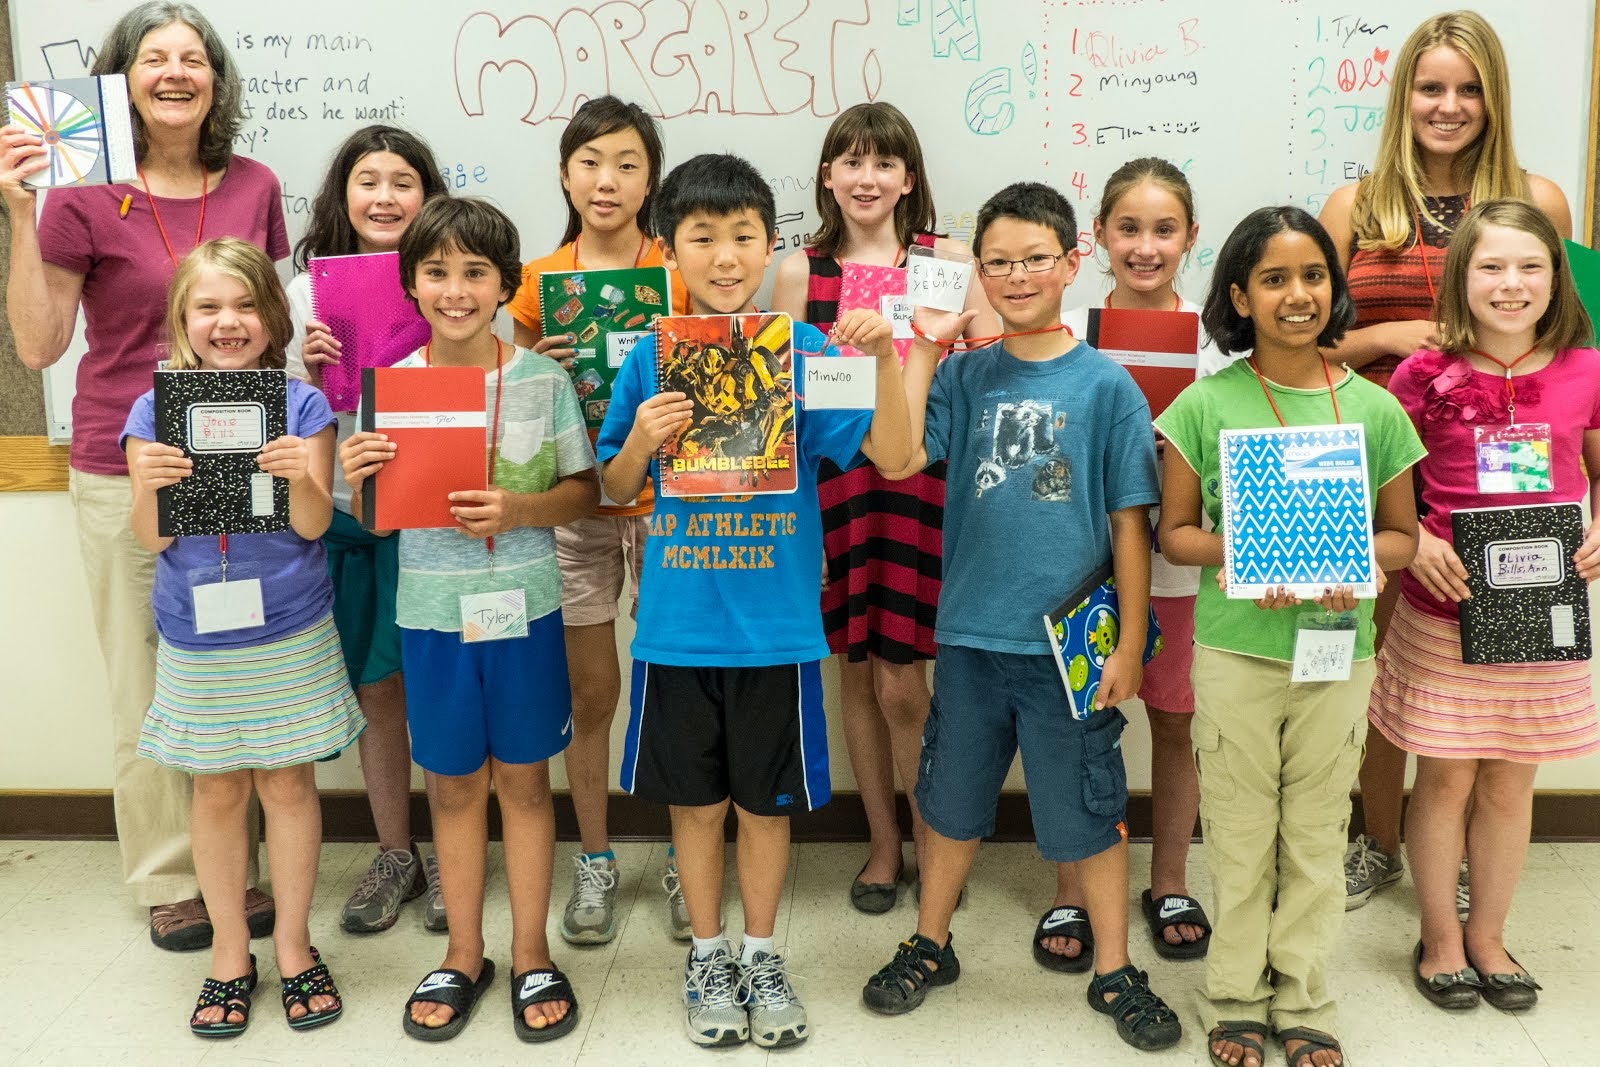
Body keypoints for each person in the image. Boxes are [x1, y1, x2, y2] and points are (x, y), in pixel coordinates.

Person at [596, 152, 914, 1048]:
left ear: (767, 242)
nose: (726, 256)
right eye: (703, 237)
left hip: (777, 628)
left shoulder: (807, 351)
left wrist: (884, 362)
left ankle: (762, 951)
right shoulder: (652, 354)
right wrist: (642, 445)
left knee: (766, 806)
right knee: (693, 806)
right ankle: (708, 952)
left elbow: (893, 456)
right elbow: (614, 486)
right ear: (670, 247)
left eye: (743, 236)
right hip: (676, 628)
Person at [860, 180, 1182, 1054]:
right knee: (950, 803)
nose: (1014, 275)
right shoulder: (964, 375)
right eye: (995, 262)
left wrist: (1124, 640)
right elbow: (895, 455)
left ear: (1073, 262)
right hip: (969, 637)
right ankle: (930, 941)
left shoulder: (1106, 385)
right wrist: (920, 348)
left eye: (1034, 258)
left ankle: (1116, 968)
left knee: (1090, 809)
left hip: (1069, 650)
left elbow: (1130, 523)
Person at [1, 0, 288, 950]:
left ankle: (235, 870)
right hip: (123, 462)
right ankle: (172, 874)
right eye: (152, 58)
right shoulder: (82, 192)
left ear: (216, 80)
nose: (175, 72)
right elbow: (41, 346)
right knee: (147, 678)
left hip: (241, 457)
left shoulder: (255, 183)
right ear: (117, 79)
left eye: (192, 57)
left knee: (234, 659)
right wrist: (19, 209)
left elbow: (272, 322)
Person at [1156, 206, 1424, 1067]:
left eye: (1313, 276)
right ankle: (1235, 994)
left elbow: (1402, 537)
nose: (1297, 294)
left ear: (1335, 289)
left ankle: (1305, 993)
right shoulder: (1204, 403)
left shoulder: (1375, 410)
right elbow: (1176, 534)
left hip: (1337, 652)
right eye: (1273, 279)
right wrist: (1262, 547)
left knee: (1313, 832)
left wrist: (1336, 556)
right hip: (1237, 654)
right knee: (1239, 830)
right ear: (1240, 294)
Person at [1318, 10, 1572, 910]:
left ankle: (1461, 855)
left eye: (1468, 89)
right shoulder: (1357, 207)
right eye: (1431, 87)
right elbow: (1305, 341)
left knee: (1490, 664)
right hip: (1377, 468)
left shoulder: (1539, 200)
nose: (1448, 105)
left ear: (1492, 97)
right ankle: (1378, 838)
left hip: (1504, 470)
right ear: (1404, 96)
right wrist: (1384, 332)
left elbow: (1569, 343)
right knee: (1382, 665)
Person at [339, 197, 598, 1042]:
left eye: (476, 273)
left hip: (524, 610)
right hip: (434, 616)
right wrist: (357, 471)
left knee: (524, 780)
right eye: (438, 272)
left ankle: (530, 952)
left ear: (504, 285)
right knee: (451, 784)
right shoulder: (395, 387)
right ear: (412, 282)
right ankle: (463, 949)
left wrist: (519, 509)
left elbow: (582, 492)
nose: (456, 290)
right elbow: (377, 521)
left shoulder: (541, 380)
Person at [122, 238, 362, 1036]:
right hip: (197, 630)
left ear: (274, 316)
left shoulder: (302, 406)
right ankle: (230, 950)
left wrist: (302, 473)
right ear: (181, 320)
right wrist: (152, 486)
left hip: (288, 624)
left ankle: (293, 945)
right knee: (217, 787)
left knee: (288, 785)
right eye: (208, 307)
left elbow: (315, 523)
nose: (228, 321)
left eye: (246, 305)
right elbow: (152, 538)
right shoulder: (154, 412)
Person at [1370, 199, 1599, 1014]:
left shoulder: (1587, 368)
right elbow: (1382, 488)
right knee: (1444, 778)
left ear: (1556, 278)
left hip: (1545, 617)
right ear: (1462, 276)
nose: (1511, 284)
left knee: (1510, 784)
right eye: (1492, 266)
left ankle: (1490, 933)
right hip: (1444, 611)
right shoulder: (1418, 376)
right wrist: (1414, 540)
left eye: (1530, 266)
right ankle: (1439, 936)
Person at [771, 101, 996, 914]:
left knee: (906, 681)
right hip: (836, 491)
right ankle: (880, 842)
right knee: (856, 673)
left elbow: (985, 379)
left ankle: (936, 837)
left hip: (926, 489)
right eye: (850, 161)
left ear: (909, 178)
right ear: (827, 175)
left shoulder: (945, 261)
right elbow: (781, 405)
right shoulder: (802, 272)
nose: (867, 178)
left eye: (883, 163)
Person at [503, 96, 692, 945]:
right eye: (589, 162)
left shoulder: (683, 270)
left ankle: (691, 863)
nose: (606, 180)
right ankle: (596, 855)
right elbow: (516, 413)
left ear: (650, 176)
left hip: (672, 501)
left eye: (625, 163)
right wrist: (530, 366)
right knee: (591, 689)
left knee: (680, 681)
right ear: (564, 173)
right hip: (578, 501)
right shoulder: (538, 280)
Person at [1048, 156, 1232, 970]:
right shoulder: (1068, 331)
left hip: (1178, 570)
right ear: (1099, 238)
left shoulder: (1219, 350)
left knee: (1175, 719)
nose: (1146, 246)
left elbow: (1237, 461)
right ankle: (1070, 884)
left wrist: (1181, 455)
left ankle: (1167, 878)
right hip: (1080, 564)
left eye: (1164, 230)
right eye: (1128, 228)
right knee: (1075, 723)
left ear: (1192, 237)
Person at [285, 125, 449, 936]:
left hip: (432, 511)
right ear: (341, 194)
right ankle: (396, 849)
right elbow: (269, 411)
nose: (385, 196)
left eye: (403, 181)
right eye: (368, 180)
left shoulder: (448, 279)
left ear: (429, 193)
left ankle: (455, 852)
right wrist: (304, 365)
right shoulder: (300, 294)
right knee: (376, 688)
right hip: (345, 516)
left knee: (441, 680)